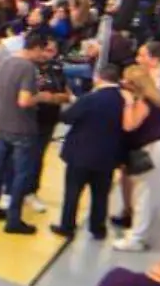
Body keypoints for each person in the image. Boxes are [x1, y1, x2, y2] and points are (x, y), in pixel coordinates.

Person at [0, 31, 70, 235]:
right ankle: (14, 219)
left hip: (4, 124)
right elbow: (24, 100)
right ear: (36, 48)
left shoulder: (6, 62)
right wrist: (43, 97)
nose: (44, 56)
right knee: (22, 174)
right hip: (22, 128)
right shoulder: (27, 68)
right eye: (43, 51)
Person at [53, 64, 129, 241]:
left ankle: (67, 226)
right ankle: (97, 228)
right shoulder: (124, 100)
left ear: (98, 78)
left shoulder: (90, 99)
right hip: (107, 157)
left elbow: (67, 118)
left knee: (73, 192)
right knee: (101, 195)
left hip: (81, 154)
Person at [113, 65, 160, 252]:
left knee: (144, 195)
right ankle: (143, 232)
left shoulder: (142, 103)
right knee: (154, 194)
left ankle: (135, 239)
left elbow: (129, 126)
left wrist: (128, 103)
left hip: (155, 150)